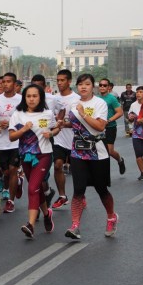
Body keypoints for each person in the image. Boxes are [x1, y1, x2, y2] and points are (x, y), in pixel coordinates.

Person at [64, 73, 118, 240]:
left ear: (92, 86)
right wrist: (61, 124)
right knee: (78, 189)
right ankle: (75, 226)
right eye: (80, 84)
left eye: (87, 84)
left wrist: (83, 114)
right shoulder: (73, 104)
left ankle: (111, 216)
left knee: (101, 189)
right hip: (77, 152)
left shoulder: (99, 103)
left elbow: (100, 126)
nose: (83, 87)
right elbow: (73, 123)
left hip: (97, 152)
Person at [9, 84, 59, 238]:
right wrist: (23, 129)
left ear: (40, 97)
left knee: (32, 188)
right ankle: (46, 213)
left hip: (43, 155)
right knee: (35, 189)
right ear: (24, 98)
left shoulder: (48, 113)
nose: (31, 99)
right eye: (28, 96)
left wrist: (51, 134)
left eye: (35, 96)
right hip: (26, 156)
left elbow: (56, 128)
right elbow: (11, 136)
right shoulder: (17, 114)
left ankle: (30, 224)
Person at [0, 72, 22, 213]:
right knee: (5, 172)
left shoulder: (21, 100)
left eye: (9, 81)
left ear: (15, 84)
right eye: (3, 81)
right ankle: (13, 184)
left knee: (13, 171)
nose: (5, 84)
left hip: (16, 142)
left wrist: (11, 124)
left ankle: (11, 201)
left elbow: (27, 118)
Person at [31, 74, 64, 207]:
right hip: (30, 140)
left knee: (41, 176)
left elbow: (62, 109)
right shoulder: (27, 99)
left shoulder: (52, 99)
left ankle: (39, 207)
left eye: (39, 86)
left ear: (45, 87)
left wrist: (58, 122)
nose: (36, 90)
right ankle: (47, 193)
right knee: (34, 176)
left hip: (46, 139)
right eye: (33, 86)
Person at [51, 69, 80, 209]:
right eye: (58, 80)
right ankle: (62, 196)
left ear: (69, 81)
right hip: (59, 139)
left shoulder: (77, 99)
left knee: (77, 171)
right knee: (57, 166)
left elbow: (80, 121)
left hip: (75, 139)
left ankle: (80, 196)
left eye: (62, 80)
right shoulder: (54, 99)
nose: (59, 83)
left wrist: (64, 123)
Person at [97, 79, 125, 174]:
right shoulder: (95, 98)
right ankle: (102, 173)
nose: (102, 87)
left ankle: (120, 160)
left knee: (109, 151)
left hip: (110, 127)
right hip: (98, 128)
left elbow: (120, 112)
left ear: (108, 87)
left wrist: (109, 120)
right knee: (100, 151)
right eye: (100, 85)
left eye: (105, 85)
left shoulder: (112, 98)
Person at [127, 85, 143, 181]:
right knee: (138, 154)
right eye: (137, 92)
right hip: (137, 133)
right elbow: (130, 118)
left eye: (140, 92)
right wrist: (130, 119)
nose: (138, 94)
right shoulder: (133, 105)